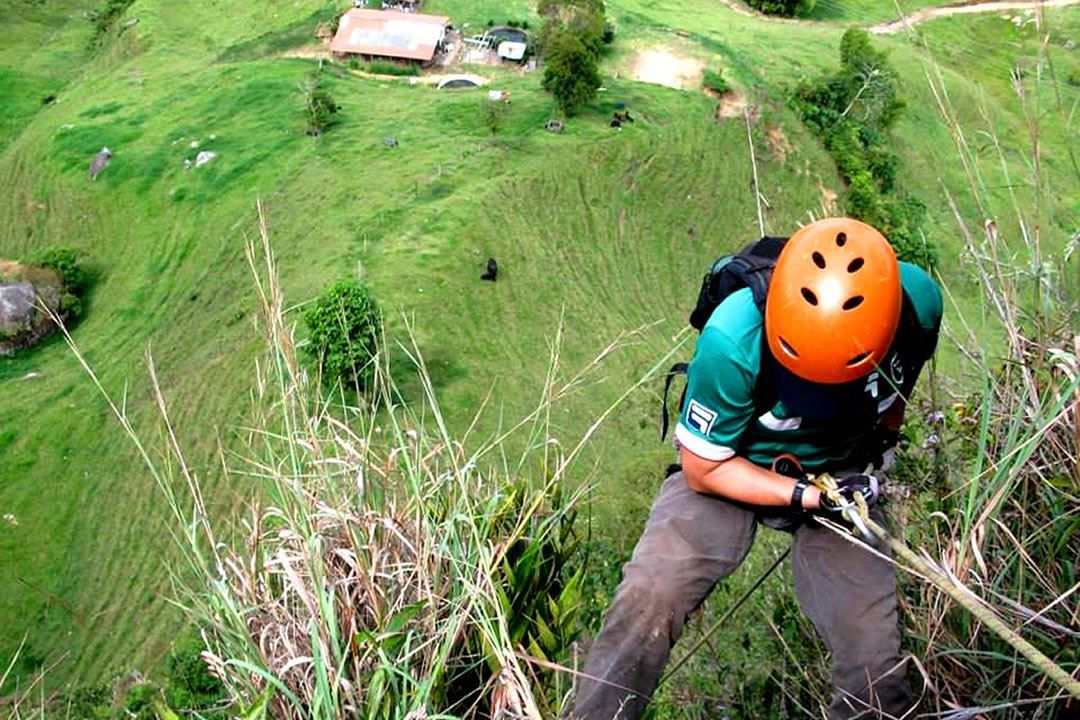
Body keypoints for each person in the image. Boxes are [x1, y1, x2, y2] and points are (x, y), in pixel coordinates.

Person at [572, 217, 943, 719]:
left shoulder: (916, 303)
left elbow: (900, 386)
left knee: (874, 666)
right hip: (734, 464)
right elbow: (703, 468)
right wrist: (806, 496)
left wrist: (882, 448)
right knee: (648, 599)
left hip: (843, 470)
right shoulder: (732, 338)